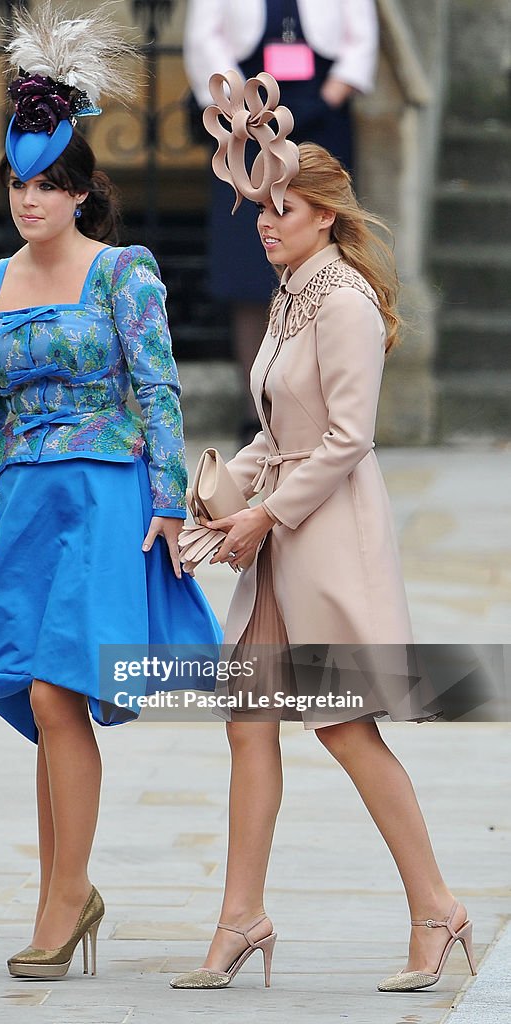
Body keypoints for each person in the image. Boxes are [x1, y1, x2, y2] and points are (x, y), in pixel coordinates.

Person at [170, 73, 477, 992]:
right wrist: (225, 494)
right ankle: (241, 919)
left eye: (284, 207)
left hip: (325, 536)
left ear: (325, 216)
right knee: (247, 724)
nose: (265, 221)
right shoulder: (288, 291)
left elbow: (347, 438)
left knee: (343, 729)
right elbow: (279, 428)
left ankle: (437, 909)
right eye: (260, 206)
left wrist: (266, 511)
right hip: (275, 541)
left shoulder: (338, 297)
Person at [0, 4, 220, 982]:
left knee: (63, 688)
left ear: (81, 191)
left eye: (48, 185)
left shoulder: (123, 275)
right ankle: (69, 890)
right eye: (19, 183)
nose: (30, 201)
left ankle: (64, 897)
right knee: (33, 694)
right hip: (24, 507)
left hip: (103, 503)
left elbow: (158, 391)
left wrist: (170, 501)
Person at [183, 0, 379, 444]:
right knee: (253, 266)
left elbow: (361, 37)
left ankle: (328, 408)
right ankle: (262, 413)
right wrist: (238, 107)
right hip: (248, 121)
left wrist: (329, 95)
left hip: (321, 114)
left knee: (327, 249)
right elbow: (204, 37)